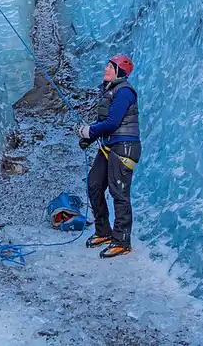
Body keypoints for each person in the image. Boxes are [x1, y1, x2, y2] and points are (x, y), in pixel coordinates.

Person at [77, 54, 141, 259]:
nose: (105, 69)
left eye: (110, 67)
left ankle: (122, 241)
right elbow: (106, 124)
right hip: (109, 146)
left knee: (119, 192)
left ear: (119, 72)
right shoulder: (111, 90)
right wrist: (91, 136)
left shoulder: (124, 92)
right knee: (94, 185)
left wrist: (90, 131)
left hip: (124, 147)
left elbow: (113, 123)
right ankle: (103, 231)